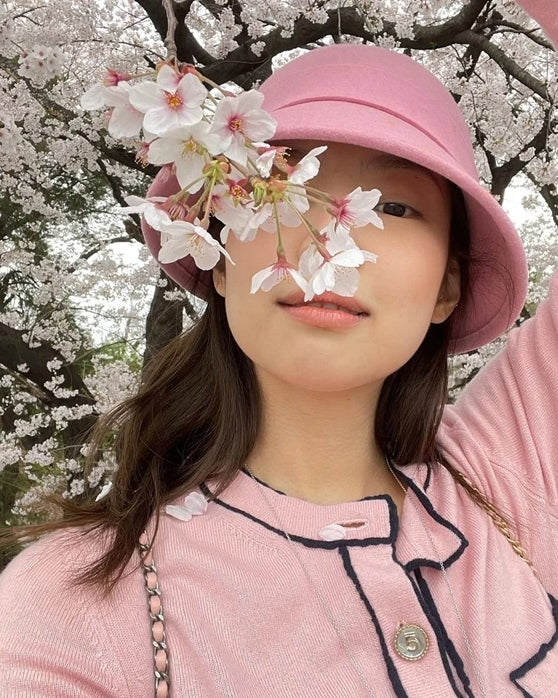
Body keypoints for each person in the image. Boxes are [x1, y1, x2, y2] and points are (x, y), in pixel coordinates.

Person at [0, 2, 556, 697]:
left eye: (394, 207)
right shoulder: (73, 600)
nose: (329, 243)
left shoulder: (509, 473)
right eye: (280, 190)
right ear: (219, 258)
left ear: (448, 286)